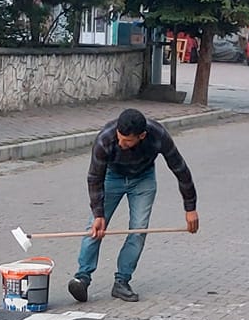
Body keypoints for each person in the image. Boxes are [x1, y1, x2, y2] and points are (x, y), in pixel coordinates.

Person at [69, 108, 199, 303]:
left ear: (142, 136)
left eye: (128, 141)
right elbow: (95, 177)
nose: (122, 143)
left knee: (138, 230)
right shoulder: (105, 139)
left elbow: (179, 168)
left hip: (143, 179)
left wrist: (190, 208)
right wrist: (99, 214)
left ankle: (122, 282)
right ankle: (82, 278)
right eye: (120, 138)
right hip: (112, 178)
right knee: (94, 229)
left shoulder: (158, 135)